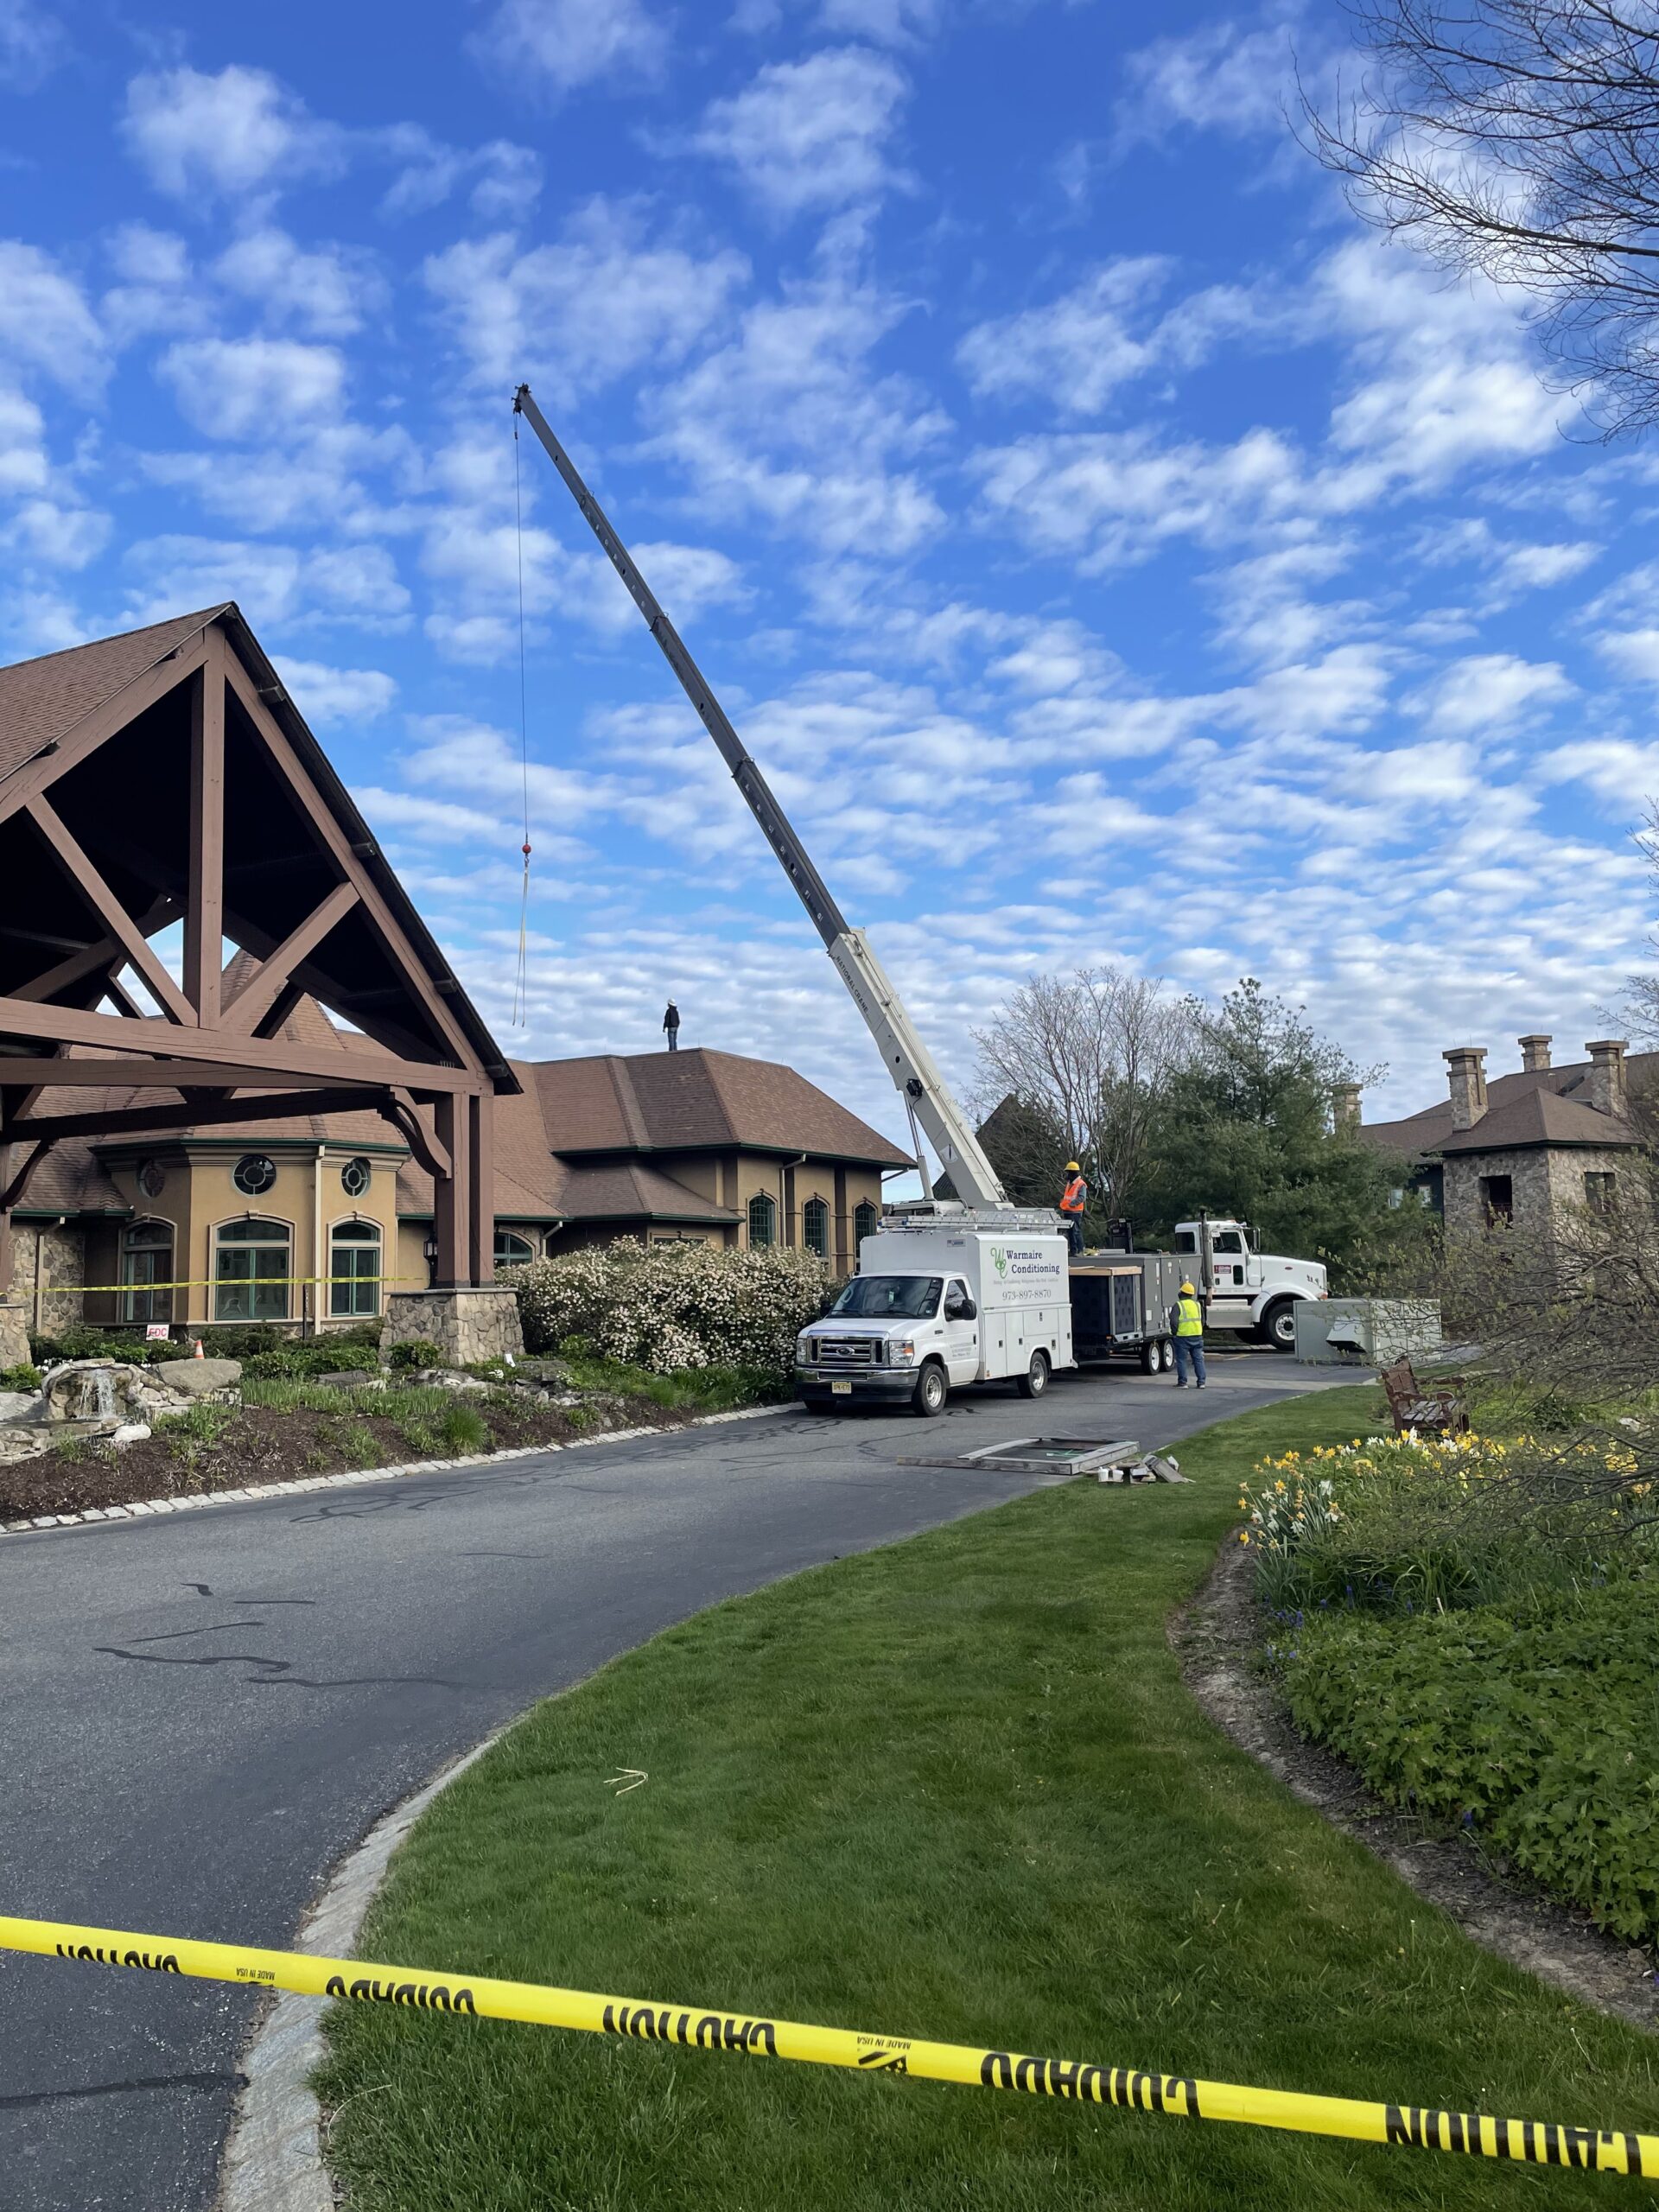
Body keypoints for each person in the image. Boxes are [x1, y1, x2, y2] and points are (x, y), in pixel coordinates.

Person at [1169, 1278, 1206, 1389]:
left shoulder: (1178, 1305)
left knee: (1181, 1360)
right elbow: (1202, 1321)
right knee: (1198, 1359)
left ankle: (1183, 1383)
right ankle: (1201, 1382)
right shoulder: (1197, 1305)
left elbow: (1174, 1322)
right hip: (1197, 1336)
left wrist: (1175, 1333)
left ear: (1182, 1293)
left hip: (1182, 1337)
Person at [1058, 1160, 1087, 1256]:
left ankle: (1080, 1250)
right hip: (1067, 1211)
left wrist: (1072, 1204)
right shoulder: (1070, 1183)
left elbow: (1082, 1197)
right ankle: (1073, 1250)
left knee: (1076, 1231)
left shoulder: (1080, 1184)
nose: (1068, 1174)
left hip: (1075, 1212)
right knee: (1070, 1232)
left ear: (1074, 1173)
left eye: (1069, 1172)